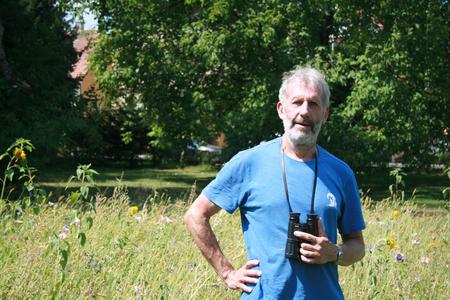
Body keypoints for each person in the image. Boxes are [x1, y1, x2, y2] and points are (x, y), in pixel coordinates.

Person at [184, 67, 366, 299]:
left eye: (313, 104)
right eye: (297, 102)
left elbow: (357, 246)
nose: (304, 111)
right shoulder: (249, 162)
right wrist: (227, 272)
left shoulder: (341, 173)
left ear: (325, 114)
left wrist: (335, 253)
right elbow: (195, 215)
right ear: (281, 109)